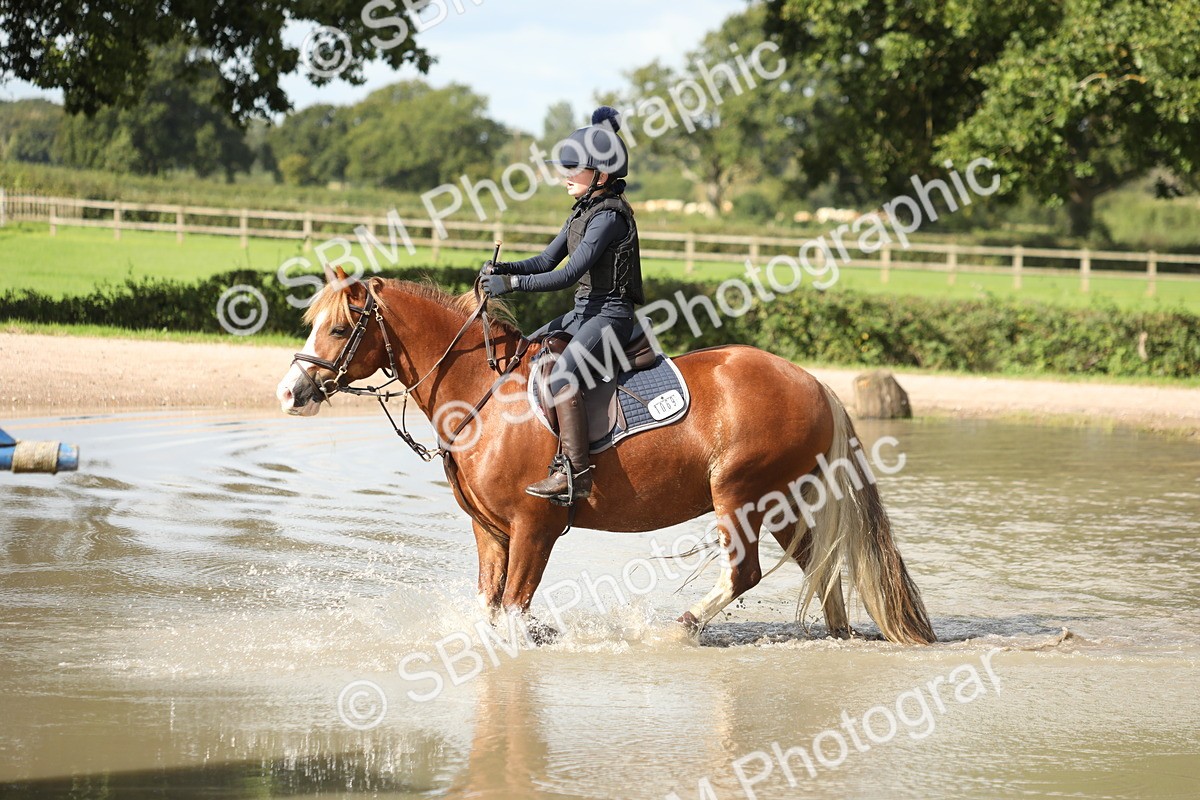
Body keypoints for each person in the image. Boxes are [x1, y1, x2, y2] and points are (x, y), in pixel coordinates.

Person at [481, 106, 644, 503]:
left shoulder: (609, 218)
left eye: (575, 168)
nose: (565, 176)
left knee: (562, 375)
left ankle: (575, 472)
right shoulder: (583, 211)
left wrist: (513, 284)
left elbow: (567, 275)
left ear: (600, 176)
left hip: (611, 315)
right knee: (526, 354)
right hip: (583, 313)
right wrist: (503, 267)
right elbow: (545, 260)